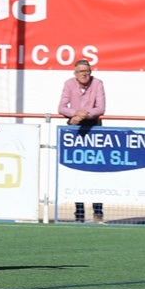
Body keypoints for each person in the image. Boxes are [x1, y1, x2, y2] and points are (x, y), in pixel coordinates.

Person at [57, 59, 107, 223]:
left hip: (93, 129)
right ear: (75, 73)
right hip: (75, 129)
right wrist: (75, 114)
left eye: (87, 71)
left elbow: (100, 108)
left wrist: (84, 114)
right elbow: (62, 107)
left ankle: (98, 213)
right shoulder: (69, 84)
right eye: (81, 71)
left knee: (96, 171)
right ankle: (79, 214)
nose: (84, 74)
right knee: (76, 170)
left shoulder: (98, 83)